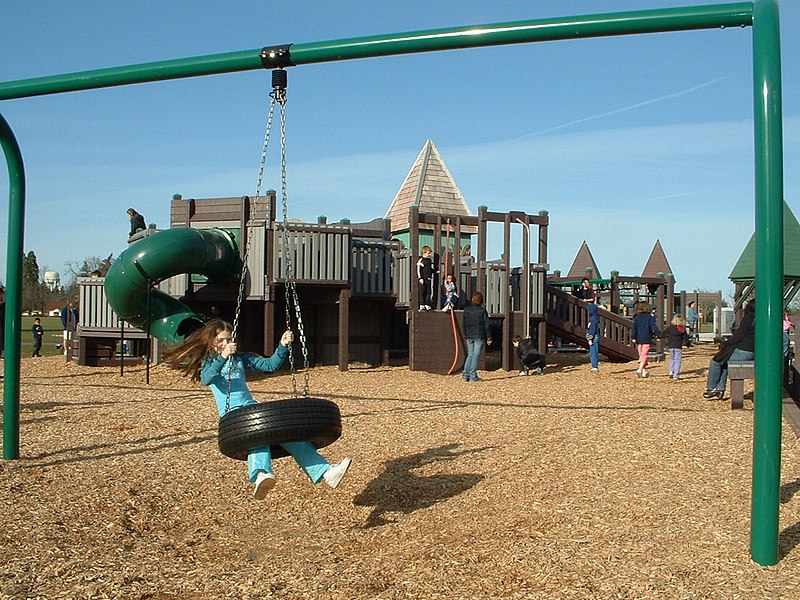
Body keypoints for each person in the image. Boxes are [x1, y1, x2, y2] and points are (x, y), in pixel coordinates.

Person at [162, 318, 352, 499]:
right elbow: (207, 379)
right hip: (232, 415)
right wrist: (223, 356)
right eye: (222, 340)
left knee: (287, 432)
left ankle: (326, 472)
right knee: (256, 434)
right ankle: (261, 473)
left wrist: (282, 346)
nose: (227, 343)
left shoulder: (240, 360)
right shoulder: (210, 362)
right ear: (212, 342)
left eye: (229, 339)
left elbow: (270, 365)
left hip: (250, 408)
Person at [704, 299, 755, 400]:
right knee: (725, 362)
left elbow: (739, 335)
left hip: (744, 351)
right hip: (755, 352)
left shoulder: (749, 318)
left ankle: (712, 387)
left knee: (716, 361)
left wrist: (725, 343)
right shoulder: (762, 319)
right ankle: (719, 389)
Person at [462, 291, 492, 382]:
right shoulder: (482, 311)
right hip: (479, 334)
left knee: (470, 355)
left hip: (469, 334)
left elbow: (464, 323)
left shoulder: (466, 310)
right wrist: (489, 337)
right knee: (476, 355)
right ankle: (473, 375)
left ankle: (465, 374)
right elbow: (487, 324)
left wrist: (466, 334)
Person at [631, 301, 661, 378]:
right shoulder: (650, 318)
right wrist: (658, 335)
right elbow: (654, 327)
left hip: (639, 338)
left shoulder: (637, 318)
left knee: (641, 354)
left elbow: (634, 328)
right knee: (644, 354)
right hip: (647, 338)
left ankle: (644, 370)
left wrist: (633, 337)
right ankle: (640, 369)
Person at [662, 313, 691, 380]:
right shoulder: (682, 329)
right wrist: (687, 344)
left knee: (672, 359)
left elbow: (663, 334)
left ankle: (671, 371)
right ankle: (676, 375)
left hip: (671, 346)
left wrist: (659, 337)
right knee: (678, 360)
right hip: (678, 346)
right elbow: (686, 338)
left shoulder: (670, 328)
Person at [416, 245, 435, 311]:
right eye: (428, 253)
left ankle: (427, 304)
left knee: (428, 292)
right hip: (423, 279)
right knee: (422, 292)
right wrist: (420, 278)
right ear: (424, 252)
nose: (429, 254)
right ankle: (422, 304)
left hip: (428, 279)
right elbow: (419, 269)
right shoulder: (421, 260)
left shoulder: (429, 260)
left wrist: (435, 271)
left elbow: (429, 269)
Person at [586, 298, 600, 372]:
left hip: (593, 338)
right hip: (594, 337)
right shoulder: (596, 318)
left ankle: (595, 366)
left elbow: (592, 329)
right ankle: (595, 365)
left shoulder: (593, 319)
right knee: (594, 351)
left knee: (593, 352)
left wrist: (590, 338)